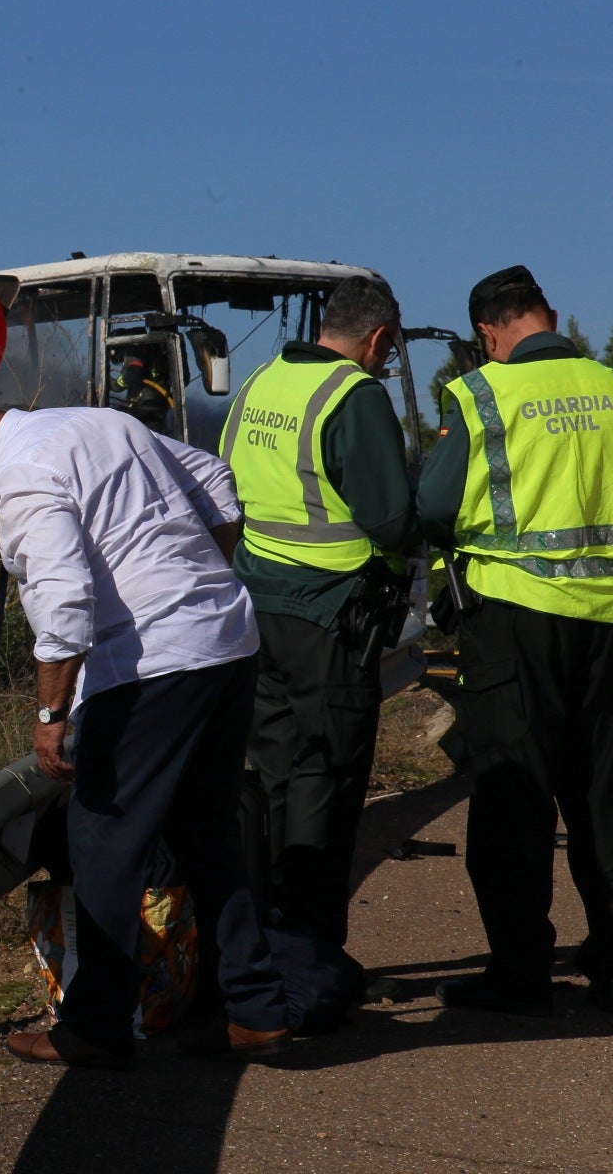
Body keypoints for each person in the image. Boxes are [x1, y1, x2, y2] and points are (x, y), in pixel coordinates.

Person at [0, 394, 290, 1066]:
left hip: (152, 665)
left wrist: (50, 718)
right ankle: (257, 1012)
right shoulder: (97, 422)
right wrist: (191, 583)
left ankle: (95, 1027)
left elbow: (63, 600)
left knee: (103, 841)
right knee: (208, 835)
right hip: (225, 643)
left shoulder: (26, 470)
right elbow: (215, 482)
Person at [417, 265, 613, 1015]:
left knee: (516, 795)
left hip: (515, 616)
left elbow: (434, 507)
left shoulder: (482, 392)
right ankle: (612, 962)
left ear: (488, 333)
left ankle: (520, 972)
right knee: (603, 793)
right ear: (549, 315)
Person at [219, 276, 416, 975]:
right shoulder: (354, 396)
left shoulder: (259, 384)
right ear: (378, 338)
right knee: (324, 784)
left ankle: (262, 945)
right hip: (331, 616)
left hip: (255, 611)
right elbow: (391, 519)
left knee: (271, 778)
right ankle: (310, 958)